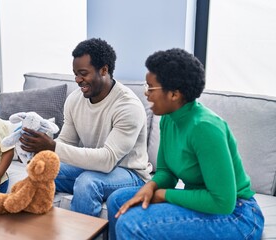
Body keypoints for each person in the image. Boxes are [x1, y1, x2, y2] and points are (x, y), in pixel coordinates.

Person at [106, 48, 264, 240]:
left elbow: (222, 202)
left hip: (238, 216)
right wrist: (151, 186)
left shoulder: (205, 128)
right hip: (208, 204)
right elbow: (167, 172)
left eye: (151, 88)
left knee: (132, 223)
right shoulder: (168, 119)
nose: (146, 94)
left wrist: (163, 195)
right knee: (117, 200)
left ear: (174, 94)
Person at [19, 38, 151, 217]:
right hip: (92, 167)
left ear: (104, 70)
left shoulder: (128, 106)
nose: (78, 80)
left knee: (87, 182)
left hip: (130, 174)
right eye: (75, 73)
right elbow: (66, 141)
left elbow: (107, 160)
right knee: (42, 170)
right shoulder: (74, 100)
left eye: (83, 73)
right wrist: (39, 151)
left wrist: (52, 146)